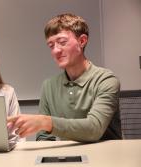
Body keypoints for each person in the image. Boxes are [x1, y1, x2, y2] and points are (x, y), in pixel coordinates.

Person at [7, 13, 122, 142]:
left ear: (82, 41)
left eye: (62, 42)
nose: (55, 51)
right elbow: (44, 137)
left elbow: (94, 129)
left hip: (105, 158)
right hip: (67, 159)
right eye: (51, 45)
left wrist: (46, 122)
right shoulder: (49, 86)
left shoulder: (106, 80)